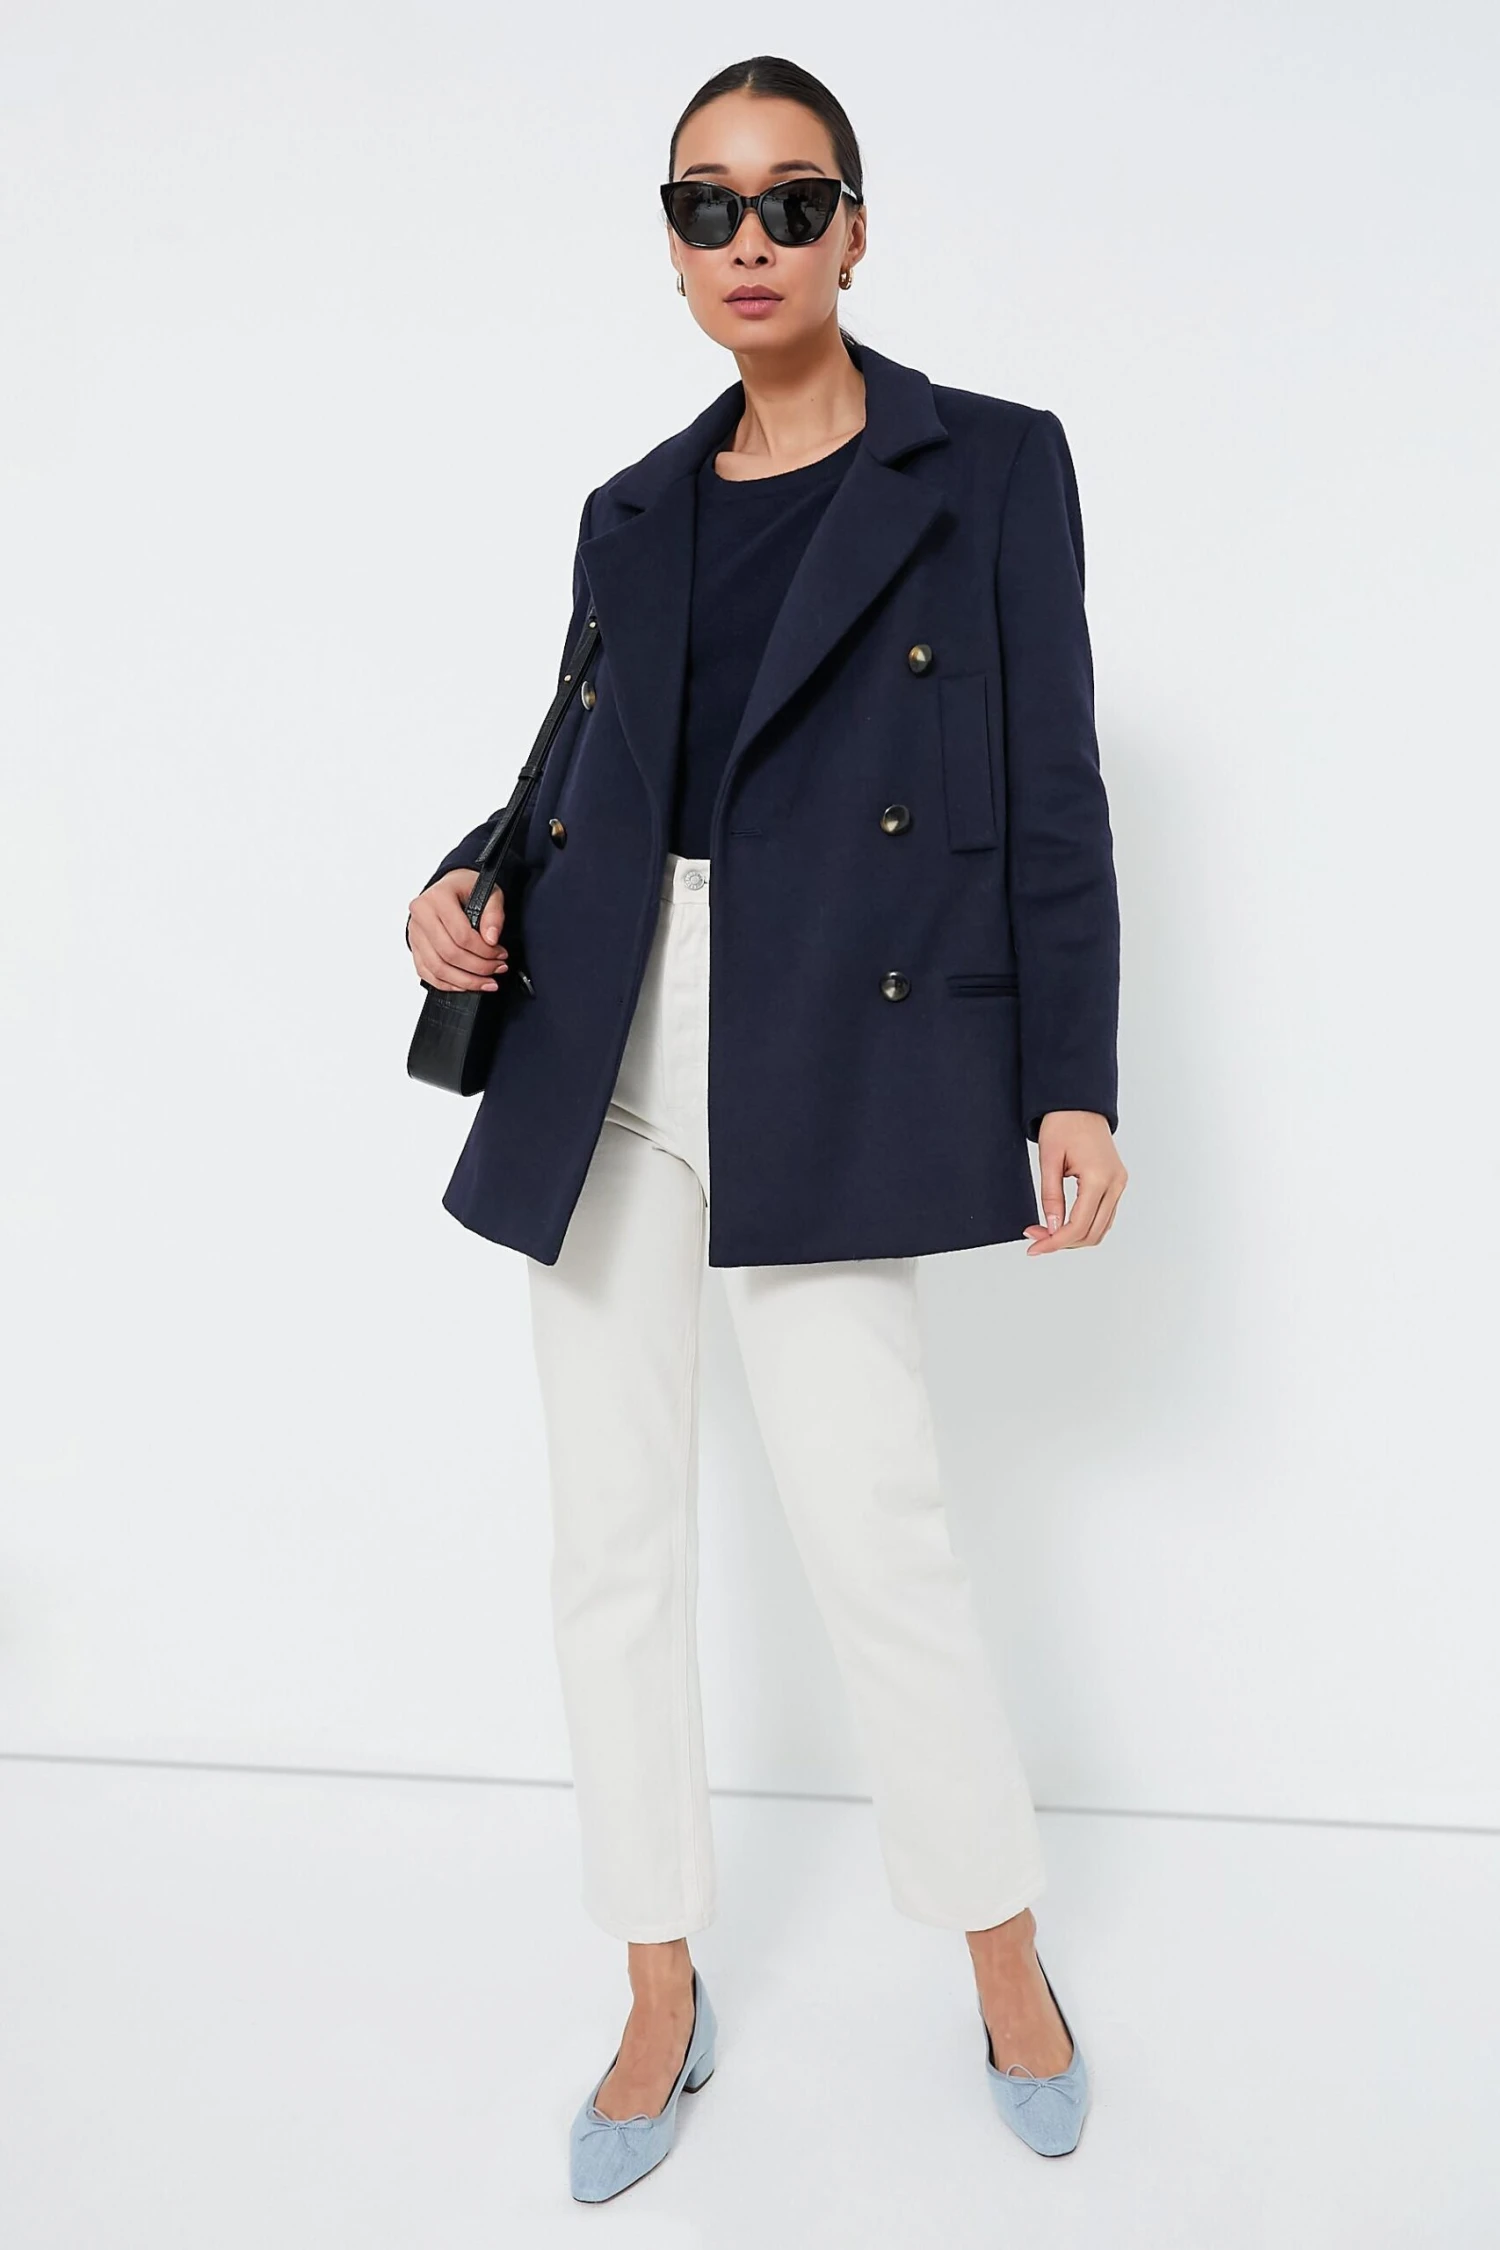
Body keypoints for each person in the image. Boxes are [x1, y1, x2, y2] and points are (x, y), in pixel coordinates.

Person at [406, 55, 1127, 2202]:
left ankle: (1000, 1949)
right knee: (611, 1542)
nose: (750, 241)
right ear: (669, 241)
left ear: (857, 230)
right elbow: (578, 772)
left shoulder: (988, 465)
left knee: (876, 1526)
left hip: (834, 1032)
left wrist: (1073, 1077)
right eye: (706, 205)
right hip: (605, 1030)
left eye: (791, 201)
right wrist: (461, 882)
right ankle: (658, 1979)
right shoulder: (631, 507)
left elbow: (1055, 793)